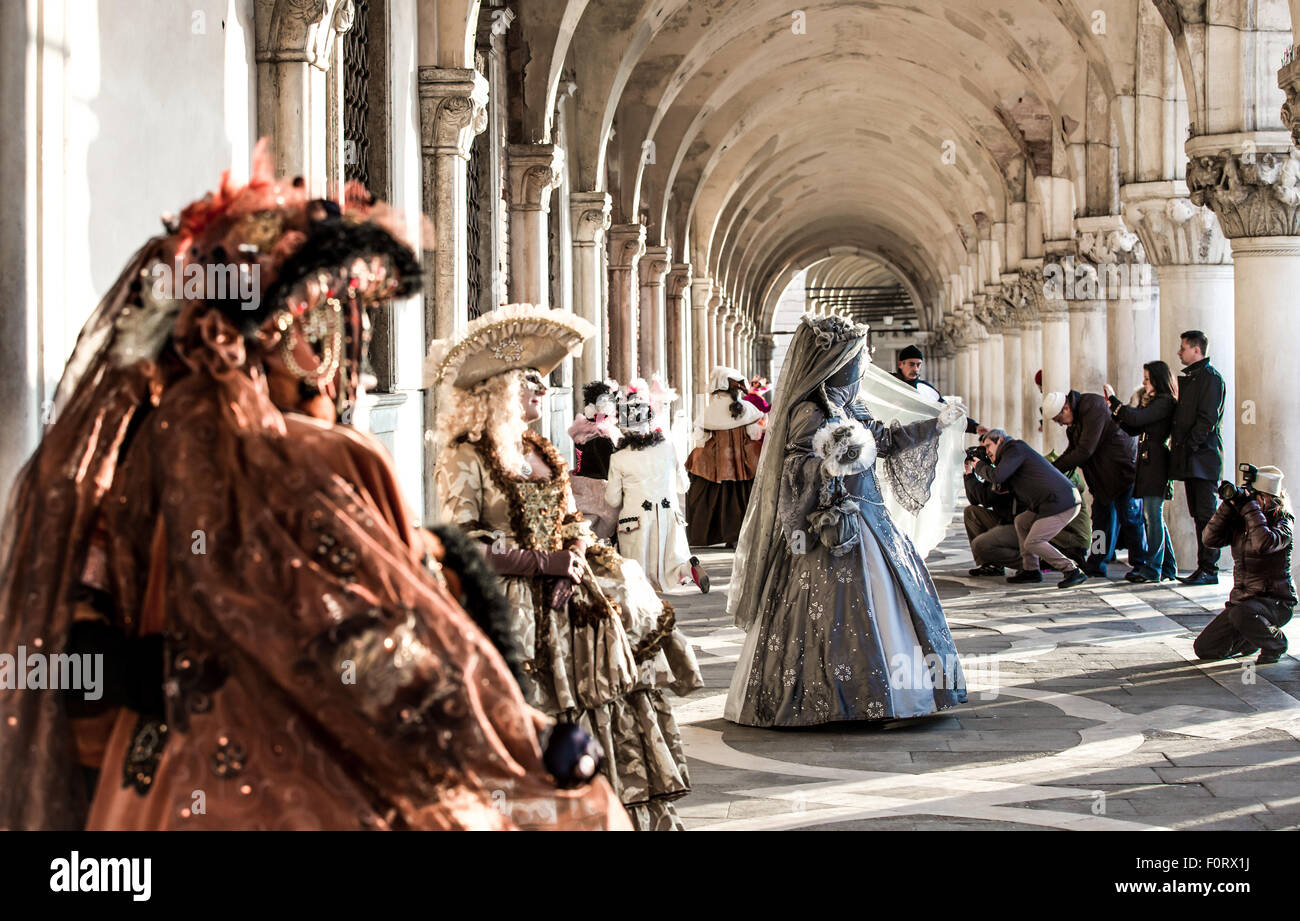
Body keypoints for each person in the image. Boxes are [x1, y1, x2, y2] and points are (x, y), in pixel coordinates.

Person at [0, 148, 630, 831]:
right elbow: (369, 648)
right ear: (274, 332)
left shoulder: (122, 452)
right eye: (322, 327)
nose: (338, 365)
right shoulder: (301, 460)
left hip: (147, 792)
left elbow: (76, 655)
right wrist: (513, 738)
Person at [429, 305, 703, 830]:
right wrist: (543, 562)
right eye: (529, 383)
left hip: (576, 594)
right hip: (512, 605)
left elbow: (571, 515)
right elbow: (462, 543)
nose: (542, 393)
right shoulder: (464, 456)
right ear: (497, 390)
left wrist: (573, 553)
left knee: (607, 695)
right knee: (535, 708)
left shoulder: (540, 447)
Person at [724, 314, 969, 727]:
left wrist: (935, 424)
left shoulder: (852, 405)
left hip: (870, 518)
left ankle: (897, 693)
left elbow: (885, 441)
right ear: (835, 360)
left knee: (887, 603)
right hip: (828, 528)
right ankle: (841, 699)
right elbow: (793, 467)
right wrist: (827, 467)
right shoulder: (808, 411)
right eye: (858, 356)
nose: (864, 362)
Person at [604, 381, 710, 593]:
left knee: (638, 573)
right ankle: (688, 569)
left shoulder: (619, 458)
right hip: (669, 516)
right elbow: (683, 486)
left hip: (635, 522)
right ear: (651, 423)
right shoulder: (669, 447)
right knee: (672, 563)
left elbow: (613, 499)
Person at [1192, 466, 1294, 665]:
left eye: (1256, 496)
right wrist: (1228, 506)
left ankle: (1275, 643)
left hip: (1276, 602)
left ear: (1268, 498)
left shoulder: (1284, 521)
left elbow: (1263, 543)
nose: (1251, 500)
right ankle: (1253, 638)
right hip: (1244, 602)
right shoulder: (1243, 519)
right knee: (1205, 648)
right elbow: (1209, 539)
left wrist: (1249, 507)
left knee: (1241, 613)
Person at [1044, 389, 1146, 577]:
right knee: (1100, 523)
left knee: (1130, 518)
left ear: (1066, 408)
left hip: (1122, 473)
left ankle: (1141, 563)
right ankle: (1097, 562)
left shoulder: (1093, 406)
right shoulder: (1074, 423)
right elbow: (1072, 451)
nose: (1060, 425)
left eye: (1059, 419)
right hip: (1102, 480)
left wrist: (1054, 468)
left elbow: (1085, 450)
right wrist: (1052, 470)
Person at [971, 429, 1089, 588]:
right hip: (1046, 504)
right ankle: (1031, 570)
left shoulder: (1015, 448)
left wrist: (979, 465)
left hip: (1062, 503)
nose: (987, 451)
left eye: (988, 446)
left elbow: (997, 476)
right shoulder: (1010, 456)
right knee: (1022, 521)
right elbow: (1001, 483)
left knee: (1034, 542)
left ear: (999, 440)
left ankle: (1072, 570)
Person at [1106, 360, 1179, 583]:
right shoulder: (1155, 402)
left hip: (1157, 462)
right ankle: (1167, 567)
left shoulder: (1164, 402)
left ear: (1157, 380)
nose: (1144, 383)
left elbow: (1137, 418)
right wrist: (1115, 410)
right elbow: (1133, 426)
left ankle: (1153, 568)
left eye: (1147, 379)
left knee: (1152, 515)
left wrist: (1115, 402)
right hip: (1149, 462)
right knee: (1153, 516)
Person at [1170, 330, 1227, 586]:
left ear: (1196, 350)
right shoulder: (1192, 378)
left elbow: (1207, 420)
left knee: (1206, 515)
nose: (1179, 352)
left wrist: (1189, 446)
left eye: (1183, 348)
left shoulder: (1211, 379)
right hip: (1193, 460)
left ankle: (1210, 569)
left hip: (1204, 460)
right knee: (1198, 515)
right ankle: (1202, 566)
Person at [685, 366, 764, 547]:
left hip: (716, 464)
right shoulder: (747, 408)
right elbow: (754, 434)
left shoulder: (710, 410)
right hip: (745, 462)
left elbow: (700, 438)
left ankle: (717, 534)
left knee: (707, 489)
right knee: (746, 494)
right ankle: (743, 536)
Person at [567, 379, 622, 540]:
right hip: (597, 491)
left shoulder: (586, 429)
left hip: (584, 485)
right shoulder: (601, 436)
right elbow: (608, 471)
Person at [893, 343, 984, 434]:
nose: (916, 369)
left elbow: (947, 413)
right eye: (911, 364)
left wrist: (975, 427)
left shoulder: (926, 389)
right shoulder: (889, 383)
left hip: (917, 438)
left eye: (918, 365)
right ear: (900, 364)